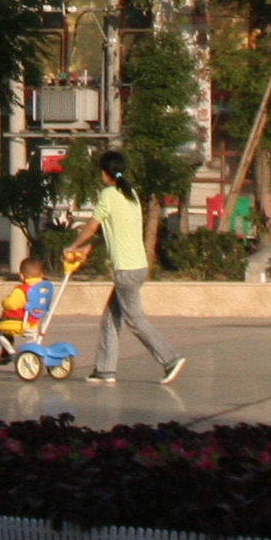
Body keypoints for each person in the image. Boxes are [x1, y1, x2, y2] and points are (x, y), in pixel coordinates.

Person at [63, 149, 184, 386]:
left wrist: (73, 245)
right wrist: (90, 248)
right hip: (137, 266)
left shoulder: (108, 194)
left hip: (126, 271)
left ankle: (170, 358)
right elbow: (113, 229)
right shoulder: (131, 195)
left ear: (104, 173)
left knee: (134, 319)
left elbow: (91, 227)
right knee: (110, 318)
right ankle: (105, 370)